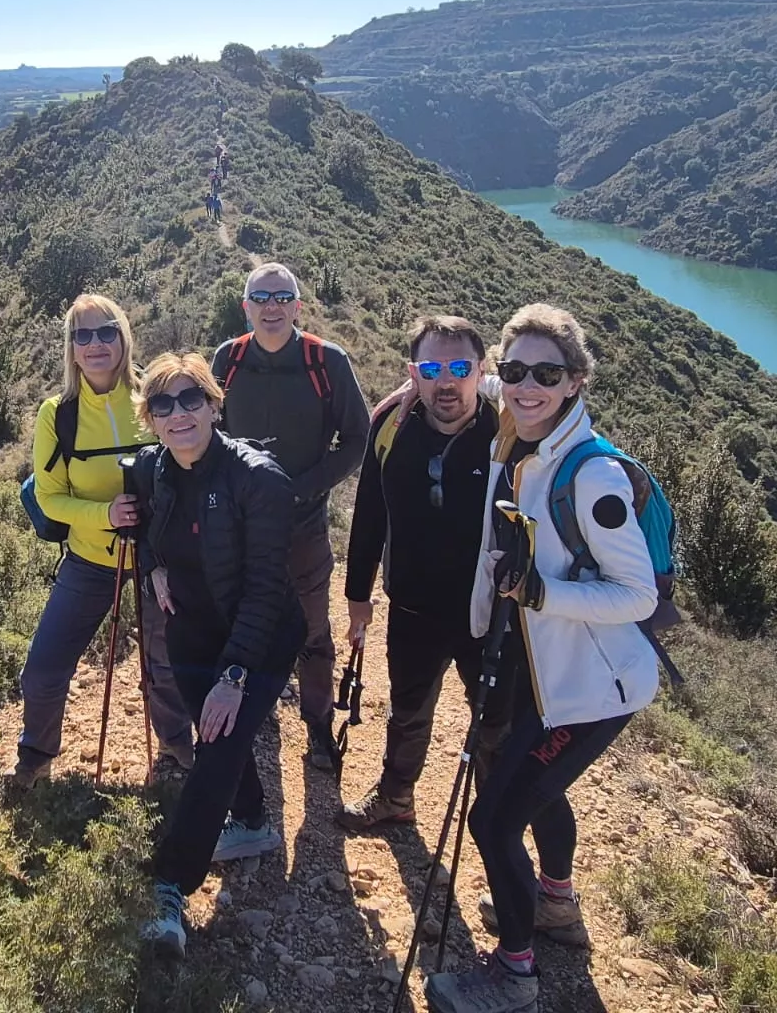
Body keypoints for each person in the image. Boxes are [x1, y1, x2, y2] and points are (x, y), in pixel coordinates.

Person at [427, 304, 662, 1013]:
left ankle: (516, 975)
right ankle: (556, 906)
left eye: (547, 374)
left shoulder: (590, 479)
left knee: (494, 820)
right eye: (517, 371)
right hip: (549, 675)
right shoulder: (527, 433)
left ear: (576, 382)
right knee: (539, 790)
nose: (528, 386)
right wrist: (417, 388)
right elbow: (474, 384)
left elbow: (637, 596)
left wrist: (541, 593)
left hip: (592, 689)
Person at [132, 353, 306, 958]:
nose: (178, 414)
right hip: (191, 629)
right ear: (150, 418)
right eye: (163, 404)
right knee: (219, 737)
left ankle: (169, 891)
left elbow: (264, 589)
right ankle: (253, 823)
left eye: (190, 400)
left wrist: (235, 675)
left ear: (213, 405)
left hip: (258, 637)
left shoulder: (258, 479)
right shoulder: (152, 469)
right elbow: (147, 531)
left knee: (220, 742)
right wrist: (152, 567)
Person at [10, 295, 195, 788]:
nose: (95, 344)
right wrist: (104, 514)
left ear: (124, 337)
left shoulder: (152, 396)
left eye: (106, 332)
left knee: (165, 665)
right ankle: (35, 754)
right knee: (44, 670)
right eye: (82, 335)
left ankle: (178, 746)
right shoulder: (58, 415)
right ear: (70, 348)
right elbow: (49, 498)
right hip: (91, 560)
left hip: (159, 560)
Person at [335, 316, 499, 832]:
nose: (445, 381)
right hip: (412, 606)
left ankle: (498, 824)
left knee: (494, 723)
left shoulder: (510, 428)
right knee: (407, 710)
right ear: (413, 372)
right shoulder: (392, 424)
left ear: (482, 371)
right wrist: (357, 596)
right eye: (431, 368)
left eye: (460, 368)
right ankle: (396, 798)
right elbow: (368, 514)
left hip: (488, 610)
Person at [210, 262, 370, 771]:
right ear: (246, 307)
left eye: (282, 297)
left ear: (298, 306)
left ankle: (318, 723)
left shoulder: (327, 362)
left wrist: (302, 491)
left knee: (312, 629)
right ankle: (254, 713)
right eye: (261, 297)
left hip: (302, 526)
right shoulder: (228, 360)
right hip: (238, 526)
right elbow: (209, 433)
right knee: (241, 618)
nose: (272, 306)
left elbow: (357, 439)